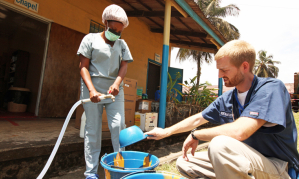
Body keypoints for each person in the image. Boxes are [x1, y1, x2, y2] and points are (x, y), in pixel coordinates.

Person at [146, 40, 299, 179]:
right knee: (185, 162)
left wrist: (196, 134)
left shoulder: (270, 89)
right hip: (246, 161)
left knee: (219, 145)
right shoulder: (228, 98)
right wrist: (166, 132)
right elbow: (198, 118)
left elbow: (241, 131)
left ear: (244, 66)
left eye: (224, 70)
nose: (220, 75)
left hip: (277, 167)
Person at [77, 4, 133, 179]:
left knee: (118, 126)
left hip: (114, 91)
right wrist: (92, 90)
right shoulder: (90, 39)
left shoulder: (122, 44)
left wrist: (117, 83)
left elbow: (124, 65)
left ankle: (119, 168)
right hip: (92, 90)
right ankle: (91, 173)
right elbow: (83, 67)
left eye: (119, 32)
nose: (115, 34)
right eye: (113, 29)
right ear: (105, 23)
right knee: (93, 130)